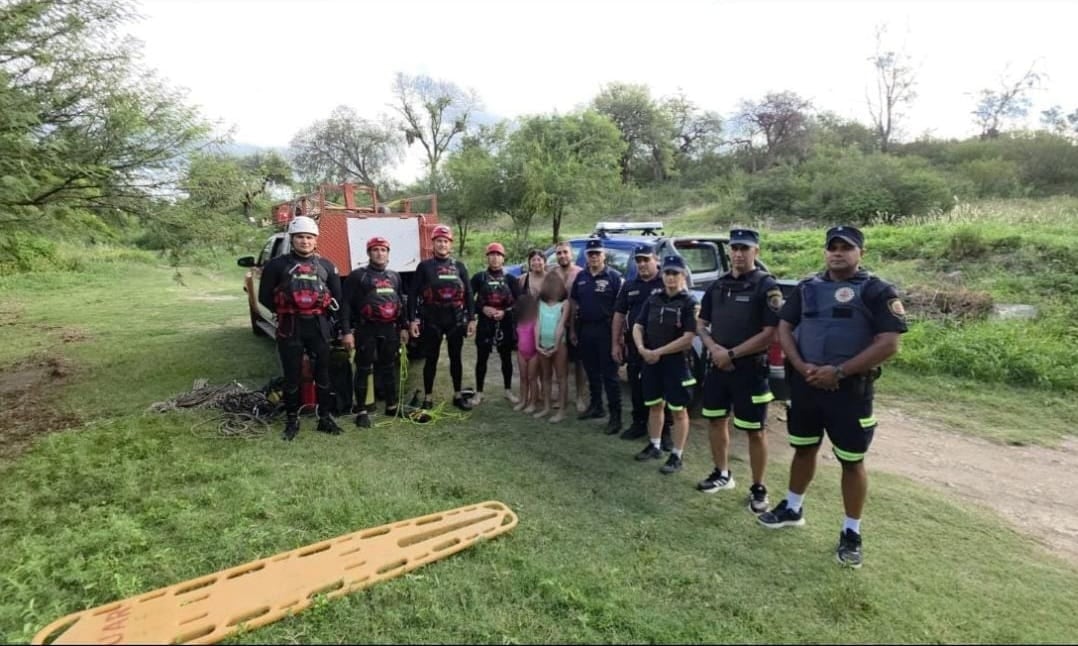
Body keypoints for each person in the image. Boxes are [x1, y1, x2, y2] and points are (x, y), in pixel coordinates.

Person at [758, 225, 908, 569]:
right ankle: (793, 508)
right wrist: (799, 364)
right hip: (807, 385)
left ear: (861, 253)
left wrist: (838, 372)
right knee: (804, 448)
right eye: (832, 247)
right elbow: (784, 327)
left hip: (850, 392)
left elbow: (889, 343)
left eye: (846, 247)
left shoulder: (875, 290)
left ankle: (851, 532)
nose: (838, 252)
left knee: (851, 461)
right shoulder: (808, 287)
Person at [695, 228, 783, 513]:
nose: (738, 254)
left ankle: (758, 487)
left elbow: (770, 333)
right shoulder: (718, 285)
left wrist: (731, 353)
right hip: (718, 367)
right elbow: (700, 323)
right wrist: (713, 348)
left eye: (744, 249)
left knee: (755, 431)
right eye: (735, 248)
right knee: (716, 421)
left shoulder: (766, 286)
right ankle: (722, 474)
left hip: (749, 369)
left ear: (756, 251)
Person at [257, 215, 345, 441]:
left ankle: (324, 418)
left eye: (308, 237)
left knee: (323, 374)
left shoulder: (326, 266)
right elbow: (265, 297)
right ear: (292, 239)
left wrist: (340, 327)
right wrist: (286, 312)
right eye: (300, 237)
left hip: (319, 326)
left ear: (315, 240)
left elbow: (338, 298)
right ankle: (292, 421)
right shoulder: (277, 265)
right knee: (292, 376)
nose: (304, 241)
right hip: (291, 326)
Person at [631, 255, 698, 474]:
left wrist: (658, 352)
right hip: (650, 360)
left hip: (675, 363)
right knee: (654, 404)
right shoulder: (653, 299)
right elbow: (637, 326)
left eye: (675, 273)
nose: (670, 277)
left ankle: (677, 455)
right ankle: (655, 444)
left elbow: (689, 337)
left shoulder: (689, 303)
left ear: (683, 275)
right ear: (662, 274)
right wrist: (642, 349)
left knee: (678, 411)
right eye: (667, 273)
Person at [341, 236, 408, 428]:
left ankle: (391, 405)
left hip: (389, 328)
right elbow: (345, 304)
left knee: (388, 367)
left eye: (383, 250)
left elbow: (400, 303)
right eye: (376, 249)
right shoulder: (358, 276)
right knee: (363, 368)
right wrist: (346, 331)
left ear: (388, 253)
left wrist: (403, 326)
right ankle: (361, 410)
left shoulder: (394, 276)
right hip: (366, 328)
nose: (380, 253)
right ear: (369, 253)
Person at [408, 224, 476, 411]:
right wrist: (413, 319)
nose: (442, 244)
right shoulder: (424, 267)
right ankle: (428, 397)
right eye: (439, 241)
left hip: (455, 319)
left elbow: (469, 293)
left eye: (445, 241)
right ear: (433, 244)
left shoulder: (459, 266)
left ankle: (457, 395)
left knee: (456, 358)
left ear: (450, 244)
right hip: (432, 319)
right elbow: (413, 294)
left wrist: (471, 318)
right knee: (431, 359)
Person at [612, 244, 670, 443]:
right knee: (636, 386)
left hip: (663, 347)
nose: (642, 264)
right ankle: (639, 423)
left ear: (656, 260)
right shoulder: (629, 285)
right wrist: (615, 343)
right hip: (635, 346)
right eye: (639, 260)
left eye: (646, 259)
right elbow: (619, 315)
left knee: (663, 388)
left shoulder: (667, 281)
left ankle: (665, 432)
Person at [570, 238, 623, 434]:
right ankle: (596, 406)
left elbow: (621, 309)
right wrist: (573, 330)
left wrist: (619, 337)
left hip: (606, 331)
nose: (594, 257)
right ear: (586, 256)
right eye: (590, 254)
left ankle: (615, 417)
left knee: (610, 375)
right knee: (591, 371)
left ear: (604, 255)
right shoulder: (581, 277)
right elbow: (574, 303)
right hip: (585, 329)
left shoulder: (614, 277)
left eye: (597, 254)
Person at [471, 242, 521, 406]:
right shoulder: (479, 278)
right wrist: (482, 308)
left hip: (505, 324)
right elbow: (468, 300)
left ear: (503, 259)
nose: (495, 258)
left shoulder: (510, 279)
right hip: (486, 324)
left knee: (506, 358)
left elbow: (519, 303)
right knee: (482, 358)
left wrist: (505, 312)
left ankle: (508, 391)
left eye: (498, 255)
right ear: (487, 257)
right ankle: (479, 393)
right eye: (491, 254)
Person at [549, 241, 587, 412]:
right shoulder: (552, 273)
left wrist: (573, 326)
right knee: (558, 361)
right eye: (559, 253)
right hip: (555, 322)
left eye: (565, 252)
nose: (562, 255)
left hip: (575, 322)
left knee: (579, 362)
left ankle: (580, 397)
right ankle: (560, 395)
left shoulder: (580, 273)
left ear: (571, 254)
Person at [534, 271, 571, 422]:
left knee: (561, 377)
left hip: (559, 345)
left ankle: (561, 410)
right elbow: (537, 324)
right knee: (546, 377)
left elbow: (561, 325)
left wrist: (555, 346)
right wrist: (537, 344)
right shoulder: (539, 303)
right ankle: (546, 407)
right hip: (543, 344)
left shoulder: (565, 304)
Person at [513, 293, 540, 414]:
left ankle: (533, 403)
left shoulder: (535, 320)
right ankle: (523, 400)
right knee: (523, 378)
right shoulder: (519, 321)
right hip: (521, 352)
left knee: (532, 378)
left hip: (534, 353)